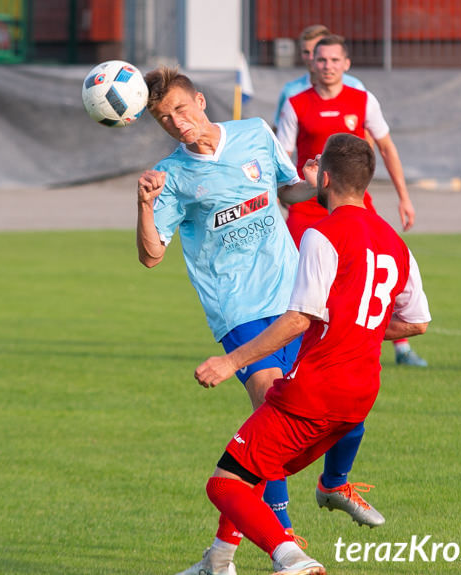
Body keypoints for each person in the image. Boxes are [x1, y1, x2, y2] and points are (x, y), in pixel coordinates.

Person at [194, 133, 431, 575]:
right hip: (358, 401)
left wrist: (231, 361)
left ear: (323, 178)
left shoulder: (322, 235)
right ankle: (219, 561)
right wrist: (356, 330)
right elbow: (417, 322)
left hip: (314, 392)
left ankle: (291, 558)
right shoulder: (396, 243)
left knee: (224, 486)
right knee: (256, 467)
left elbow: (300, 318)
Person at [136, 65, 316, 575]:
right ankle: (286, 548)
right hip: (237, 307)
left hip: (293, 294)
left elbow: (289, 191)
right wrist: (146, 207)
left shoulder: (255, 133)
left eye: (180, 108)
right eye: (164, 118)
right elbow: (152, 256)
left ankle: (221, 555)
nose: (176, 122)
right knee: (271, 410)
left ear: (200, 100)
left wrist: (322, 187)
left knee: (295, 420)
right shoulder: (169, 176)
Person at [277, 33, 428, 371]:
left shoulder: (362, 100)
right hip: (306, 209)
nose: (328, 66)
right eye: (321, 60)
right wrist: (286, 193)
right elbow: (282, 158)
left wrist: (404, 198)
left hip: (354, 205)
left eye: (334, 60)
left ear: (346, 64)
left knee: (374, 272)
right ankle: (295, 357)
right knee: (299, 286)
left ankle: (399, 346)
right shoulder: (295, 103)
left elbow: (387, 148)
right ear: (311, 63)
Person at [273, 25, 366, 132]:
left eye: (315, 51)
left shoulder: (355, 86)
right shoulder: (290, 90)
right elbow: (278, 130)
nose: (311, 57)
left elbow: (367, 133)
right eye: (306, 52)